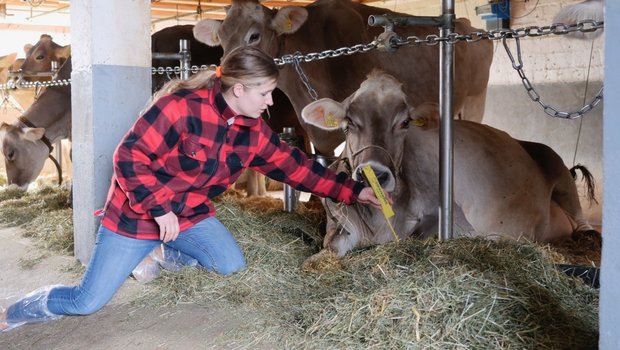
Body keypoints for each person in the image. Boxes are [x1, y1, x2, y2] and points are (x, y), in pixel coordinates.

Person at [0, 46, 385, 332]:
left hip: (189, 215)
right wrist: (159, 209)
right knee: (87, 302)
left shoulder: (251, 130)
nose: (270, 102)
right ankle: (15, 311)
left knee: (231, 265)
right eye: (265, 93)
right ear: (237, 91)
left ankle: (162, 252)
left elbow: (293, 167)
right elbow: (128, 157)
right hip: (136, 215)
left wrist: (352, 191)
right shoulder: (180, 107)